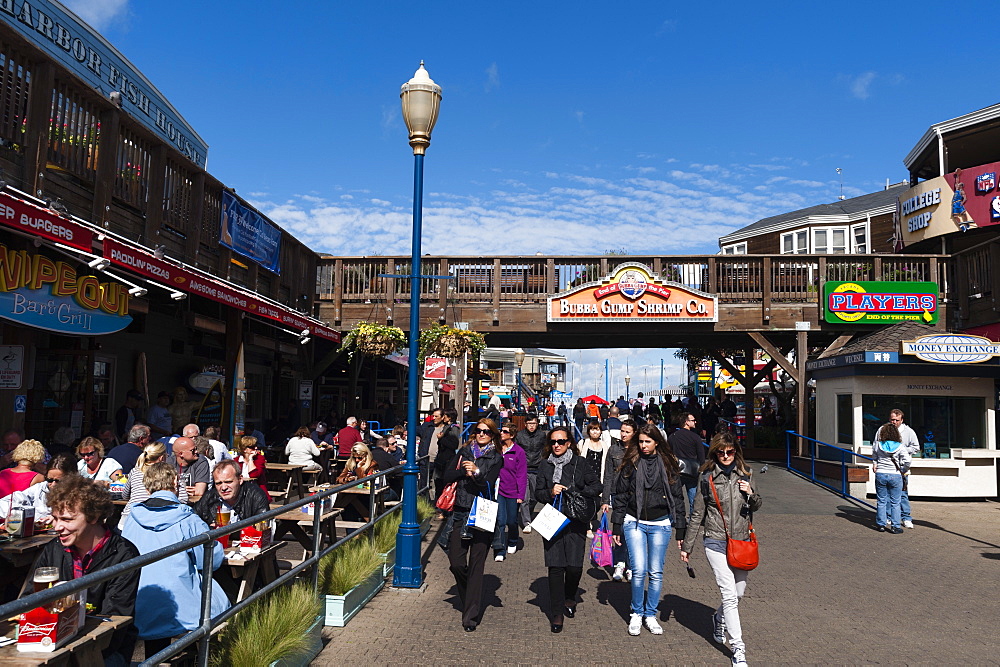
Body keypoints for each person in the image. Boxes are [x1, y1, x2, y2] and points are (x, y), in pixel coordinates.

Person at [27, 475, 140, 665]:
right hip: (55, 642)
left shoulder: (123, 554)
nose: (57, 527)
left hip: (105, 649)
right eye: (55, 518)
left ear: (94, 516)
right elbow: (29, 598)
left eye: (67, 519)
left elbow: (114, 621)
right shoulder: (55, 548)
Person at [122, 462, 229, 658]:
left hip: (138, 601)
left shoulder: (132, 518)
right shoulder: (187, 518)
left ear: (147, 487)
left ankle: (157, 658)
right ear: (175, 482)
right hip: (181, 606)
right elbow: (210, 561)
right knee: (221, 602)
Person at [680, 432, 762, 667]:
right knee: (729, 595)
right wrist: (688, 546)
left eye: (730, 452)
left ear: (736, 451)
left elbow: (756, 505)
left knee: (738, 593)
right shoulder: (707, 477)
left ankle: (718, 617)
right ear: (714, 453)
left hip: (741, 541)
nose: (726, 456)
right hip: (715, 539)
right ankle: (738, 650)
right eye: (721, 452)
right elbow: (697, 513)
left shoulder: (746, 473)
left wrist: (751, 493)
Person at [611, 424, 687, 636]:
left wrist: (681, 529)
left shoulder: (668, 464)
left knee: (655, 572)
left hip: (660, 523)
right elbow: (621, 495)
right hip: (633, 520)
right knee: (638, 570)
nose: (643, 446)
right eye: (641, 441)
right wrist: (616, 524)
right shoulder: (631, 463)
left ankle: (650, 614)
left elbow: (678, 498)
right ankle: (636, 612)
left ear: (656, 443)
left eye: (647, 442)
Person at [438, 418, 503, 632]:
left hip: (482, 512)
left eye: (486, 432)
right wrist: (462, 472)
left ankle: (470, 617)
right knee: (456, 561)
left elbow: (488, 483)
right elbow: (446, 475)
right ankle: (469, 598)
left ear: (492, 435)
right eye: (478, 431)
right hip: (460, 511)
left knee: (477, 565)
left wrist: (476, 472)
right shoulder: (463, 452)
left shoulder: (496, 457)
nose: (482, 434)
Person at [535, 426, 601, 633]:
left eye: (560, 442)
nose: (556, 445)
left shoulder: (580, 463)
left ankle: (570, 596)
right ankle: (556, 613)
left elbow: (596, 487)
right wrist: (549, 491)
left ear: (569, 443)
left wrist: (576, 491)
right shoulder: (545, 466)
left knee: (573, 566)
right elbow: (537, 493)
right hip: (553, 520)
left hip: (576, 521)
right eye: (553, 442)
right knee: (555, 566)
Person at [120, 441, 187, 527]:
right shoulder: (169, 473)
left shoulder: (135, 471)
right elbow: (184, 499)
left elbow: (125, 495)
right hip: (155, 518)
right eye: (167, 456)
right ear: (162, 458)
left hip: (128, 518)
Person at [1, 453, 77, 522]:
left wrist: (57, 517)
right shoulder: (40, 488)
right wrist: (29, 514)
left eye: (58, 481)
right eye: (49, 480)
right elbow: (5, 503)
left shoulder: (81, 493)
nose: (53, 485)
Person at [193, 459, 269, 528]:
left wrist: (231, 530)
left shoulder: (255, 495)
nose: (223, 488)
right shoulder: (210, 497)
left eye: (228, 482)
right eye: (218, 483)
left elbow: (262, 527)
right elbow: (192, 519)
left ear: (240, 479)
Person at [878, 409, 919, 529]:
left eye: (896, 420)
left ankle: (906, 517)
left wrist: (902, 450)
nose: (894, 422)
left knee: (902, 494)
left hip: (901, 468)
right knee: (887, 495)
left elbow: (916, 447)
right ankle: (889, 517)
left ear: (902, 420)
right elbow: (877, 446)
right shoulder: (882, 430)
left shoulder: (909, 432)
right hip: (887, 469)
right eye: (892, 419)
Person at [603, 420, 633, 582]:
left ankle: (630, 565)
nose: (623, 434)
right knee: (619, 529)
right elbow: (607, 475)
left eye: (627, 432)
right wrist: (605, 499)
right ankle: (620, 563)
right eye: (622, 431)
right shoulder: (613, 449)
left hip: (634, 495)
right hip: (617, 493)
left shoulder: (638, 450)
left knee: (632, 531)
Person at [493, 424, 526, 562]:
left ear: (511, 435)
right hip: (499, 490)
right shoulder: (497, 449)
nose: (501, 433)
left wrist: (521, 495)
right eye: (501, 430)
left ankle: (512, 540)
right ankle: (500, 549)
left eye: (505, 431)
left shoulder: (518, 452)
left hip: (513, 491)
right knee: (500, 520)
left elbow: (522, 475)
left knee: (511, 520)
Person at [871, 422, 911, 534]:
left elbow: (874, 458)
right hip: (895, 475)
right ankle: (895, 526)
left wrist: (875, 465)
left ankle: (881, 524)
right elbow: (907, 461)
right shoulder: (900, 446)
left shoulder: (878, 445)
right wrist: (903, 469)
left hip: (881, 474)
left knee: (881, 501)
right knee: (895, 502)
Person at [669, 413, 707, 519]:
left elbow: (668, 454)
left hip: (677, 470)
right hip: (692, 472)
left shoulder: (673, 436)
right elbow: (701, 457)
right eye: (693, 420)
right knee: (693, 498)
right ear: (687, 422)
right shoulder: (695, 437)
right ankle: (692, 519)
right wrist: (702, 470)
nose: (695, 422)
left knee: (675, 496)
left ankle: (674, 518)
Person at [578, 422, 611, 536]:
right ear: (588, 431)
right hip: (585, 479)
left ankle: (592, 519)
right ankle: (587, 527)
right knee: (586, 502)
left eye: (597, 429)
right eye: (592, 429)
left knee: (596, 502)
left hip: (598, 478)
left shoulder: (604, 445)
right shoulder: (583, 443)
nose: (595, 432)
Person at [516, 415, 547, 532]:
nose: (531, 426)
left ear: (537, 424)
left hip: (537, 468)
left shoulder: (542, 435)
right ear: (525, 424)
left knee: (535, 497)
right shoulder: (520, 436)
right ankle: (526, 522)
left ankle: (529, 513)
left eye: (533, 423)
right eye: (529, 423)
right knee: (525, 498)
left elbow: (546, 449)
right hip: (523, 469)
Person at [169, 436, 211, 503]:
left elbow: (199, 492)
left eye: (196, 448)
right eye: (193, 450)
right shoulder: (169, 463)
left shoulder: (201, 461)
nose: (196, 451)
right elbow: (164, 490)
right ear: (181, 454)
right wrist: (184, 491)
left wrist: (178, 490)